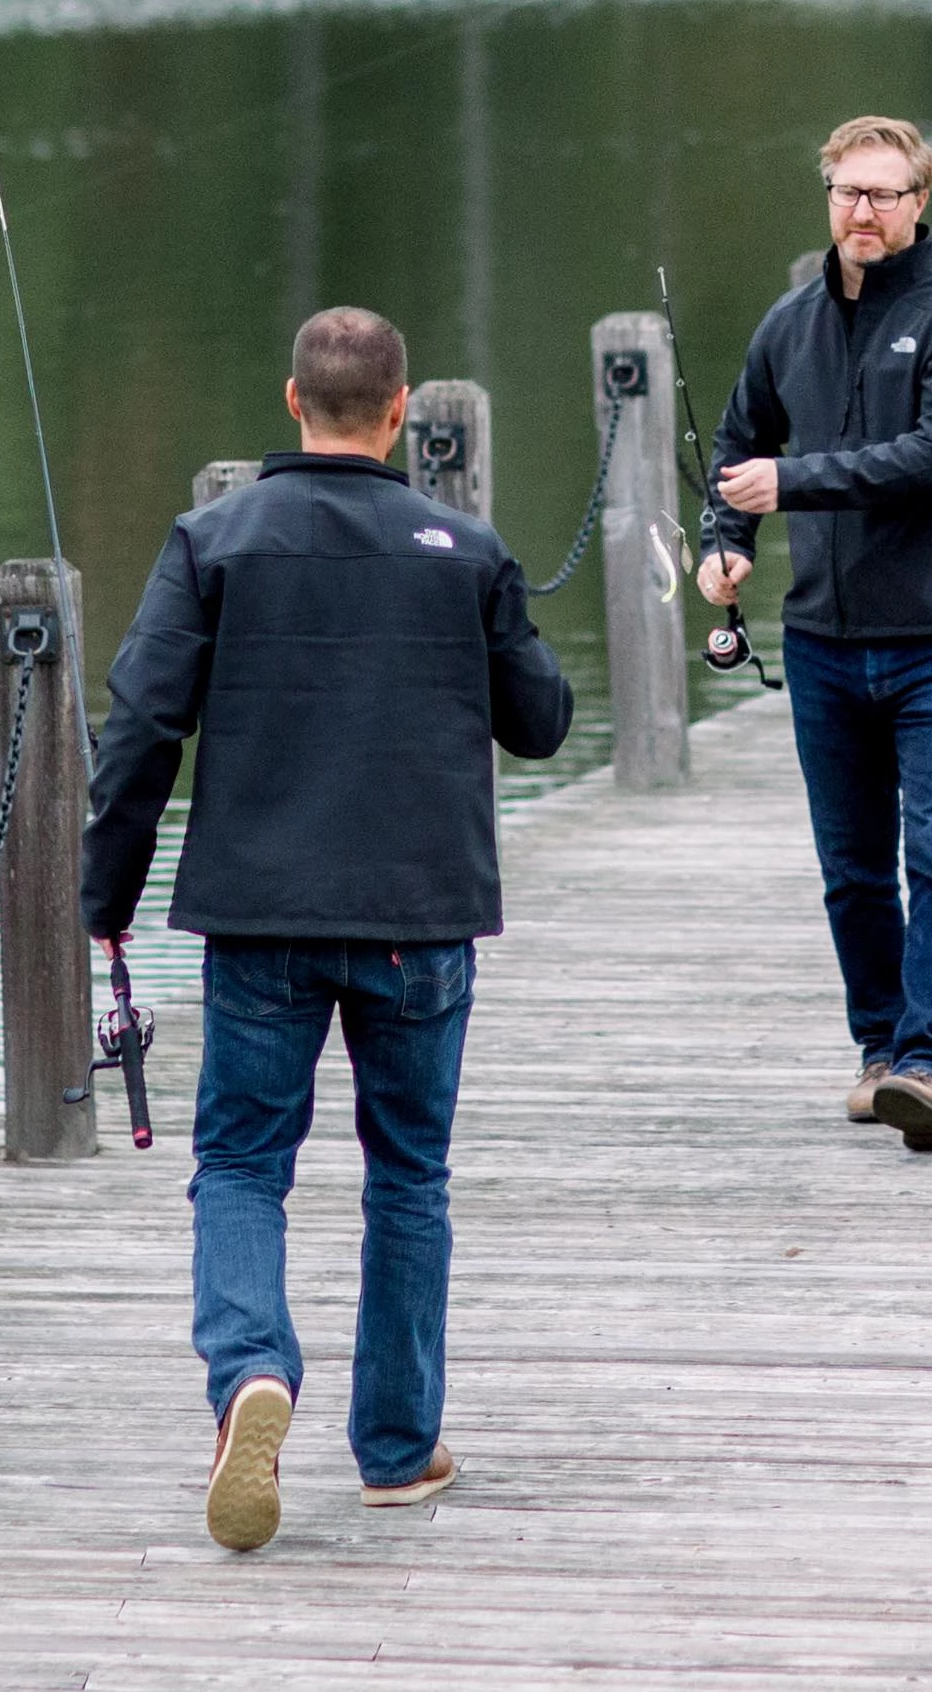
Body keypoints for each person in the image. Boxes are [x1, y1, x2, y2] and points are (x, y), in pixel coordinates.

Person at [85, 302, 575, 1553]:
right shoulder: (462, 546)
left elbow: (141, 724)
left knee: (244, 1162)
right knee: (408, 1172)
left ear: (292, 401)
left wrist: (107, 893)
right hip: (421, 917)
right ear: (401, 408)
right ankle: (399, 1451)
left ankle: (252, 1367)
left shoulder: (213, 538)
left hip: (260, 917)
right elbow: (542, 722)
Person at [695, 115, 932, 1153]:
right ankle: (880, 1049)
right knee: (851, 867)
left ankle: (930, 1066)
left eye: (883, 193)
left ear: (920, 200)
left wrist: (788, 485)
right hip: (825, 642)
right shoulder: (788, 323)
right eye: (847, 192)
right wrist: (727, 538)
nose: (863, 211)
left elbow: (931, 457)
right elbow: (743, 444)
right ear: (827, 196)